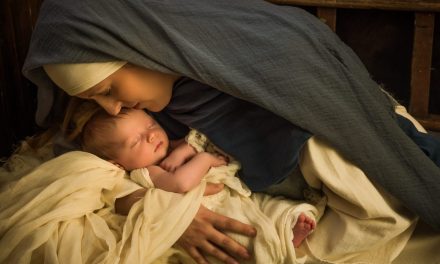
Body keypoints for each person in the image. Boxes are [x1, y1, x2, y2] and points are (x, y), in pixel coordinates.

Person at [22, 0, 440, 263]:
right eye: (96, 101)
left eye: (109, 91)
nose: (113, 107)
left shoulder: (275, 66)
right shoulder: (136, 104)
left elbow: (368, 175)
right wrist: (161, 213)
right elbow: (87, 160)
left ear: (137, 49)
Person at [75, 102, 318, 261]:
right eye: (136, 141)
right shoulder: (146, 172)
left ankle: (289, 230)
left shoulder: (170, 146)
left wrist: (185, 151)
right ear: (119, 164)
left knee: (271, 209)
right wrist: (203, 159)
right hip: (214, 209)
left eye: (149, 124)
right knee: (241, 236)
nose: (151, 135)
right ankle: (279, 248)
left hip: (233, 195)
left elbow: (192, 142)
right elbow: (181, 183)